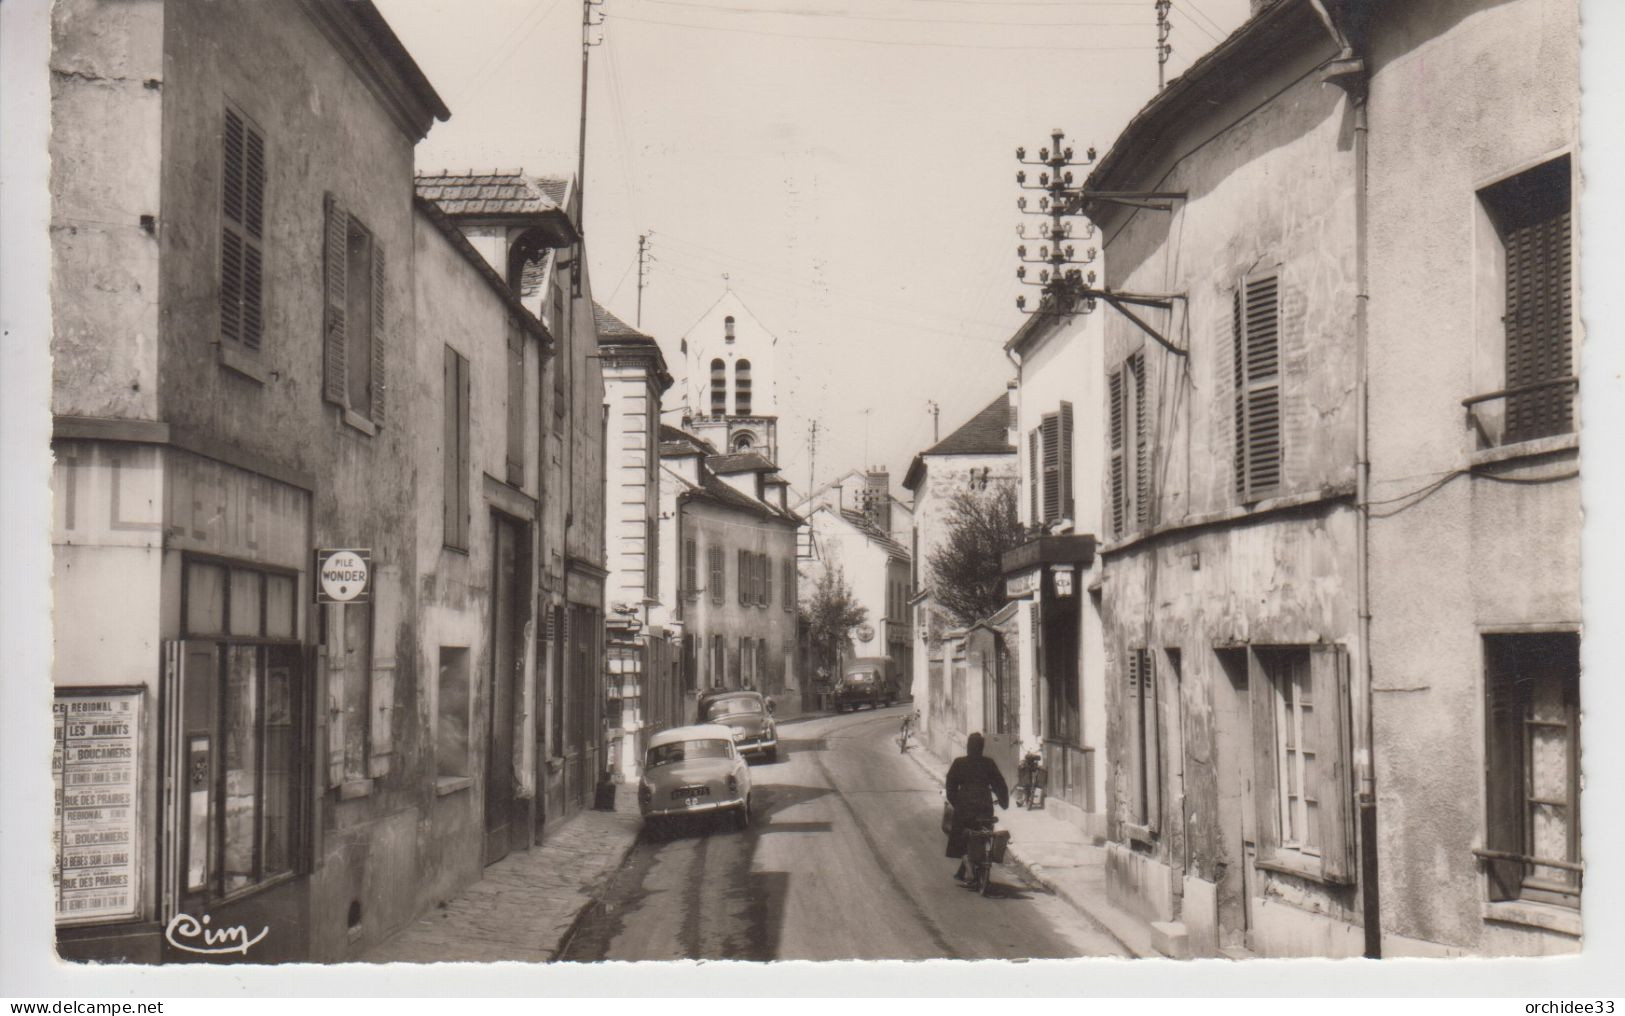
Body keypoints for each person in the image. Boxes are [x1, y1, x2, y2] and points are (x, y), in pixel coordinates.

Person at [944, 731, 1009, 884]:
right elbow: (1000, 784)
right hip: (984, 807)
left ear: (968, 747)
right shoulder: (988, 763)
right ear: (981, 747)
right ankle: (965, 869)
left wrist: (956, 802)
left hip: (964, 807)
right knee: (982, 833)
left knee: (961, 835)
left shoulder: (959, 763)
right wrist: (1003, 801)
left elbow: (950, 785)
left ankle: (966, 864)